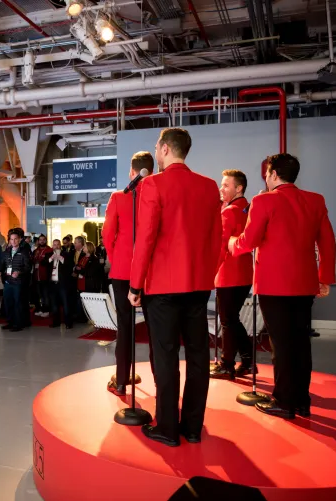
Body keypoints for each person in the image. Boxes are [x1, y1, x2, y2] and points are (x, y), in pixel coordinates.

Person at [129, 128, 222, 446]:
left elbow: (146, 238)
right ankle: (193, 427)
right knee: (199, 356)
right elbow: (217, 239)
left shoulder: (152, 184)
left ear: (166, 149)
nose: (156, 150)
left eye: (157, 146)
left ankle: (168, 427)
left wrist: (135, 284)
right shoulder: (209, 187)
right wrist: (208, 274)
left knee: (166, 356)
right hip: (198, 285)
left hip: (163, 288)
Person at [229, 153, 336, 420]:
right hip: (304, 283)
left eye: (267, 172)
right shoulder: (315, 200)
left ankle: (284, 401)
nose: (265, 177)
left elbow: (250, 239)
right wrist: (325, 278)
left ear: (274, 174)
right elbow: (327, 242)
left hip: (273, 285)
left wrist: (233, 244)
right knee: (300, 342)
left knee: (282, 345)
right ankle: (301, 400)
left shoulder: (263, 200)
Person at [103, 151, 154, 395]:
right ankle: (162, 385)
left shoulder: (118, 197)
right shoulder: (157, 195)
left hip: (123, 272)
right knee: (156, 327)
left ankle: (122, 379)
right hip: (153, 272)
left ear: (132, 172)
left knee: (125, 325)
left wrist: (117, 261)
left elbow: (107, 234)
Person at [210, 169, 256, 380]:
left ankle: (226, 364)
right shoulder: (247, 209)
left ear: (239, 188)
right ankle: (247, 360)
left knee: (228, 321)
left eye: (226, 185)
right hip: (244, 274)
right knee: (232, 319)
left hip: (229, 274)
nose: (222, 188)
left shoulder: (228, 212)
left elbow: (221, 245)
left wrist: (211, 272)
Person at [0, 230, 31, 332]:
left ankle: (18, 323)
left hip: (18, 282)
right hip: (8, 282)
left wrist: (19, 272)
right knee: (8, 302)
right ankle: (10, 322)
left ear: (19, 240)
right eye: (12, 239)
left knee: (18, 303)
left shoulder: (24, 252)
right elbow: (2, 265)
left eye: (16, 239)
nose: (14, 241)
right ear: (9, 240)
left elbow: (28, 267)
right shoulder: (6, 252)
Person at [47, 239, 75, 329]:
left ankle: (68, 323)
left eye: (58, 244)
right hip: (52, 284)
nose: (56, 246)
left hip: (63, 283)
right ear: (52, 246)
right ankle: (56, 322)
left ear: (60, 245)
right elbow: (44, 263)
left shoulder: (67, 254)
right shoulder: (49, 255)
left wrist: (61, 258)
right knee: (54, 304)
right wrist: (51, 258)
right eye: (54, 245)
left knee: (66, 303)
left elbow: (71, 265)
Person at [32, 234, 53, 317]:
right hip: (36, 276)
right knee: (38, 294)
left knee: (45, 295)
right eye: (40, 240)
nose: (42, 241)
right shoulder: (36, 250)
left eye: (43, 239)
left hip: (45, 276)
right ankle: (39, 309)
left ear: (46, 240)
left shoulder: (49, 250)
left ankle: (46, 310)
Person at [70, 236, 88, 323]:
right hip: (73, 278)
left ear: (81, 243)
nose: (74, 243)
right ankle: (76, 314)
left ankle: (82, 316)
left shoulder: (85, 254)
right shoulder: (72, 251)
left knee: (81, 298)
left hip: (82, 278)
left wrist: (77, 272)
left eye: (76, 242)